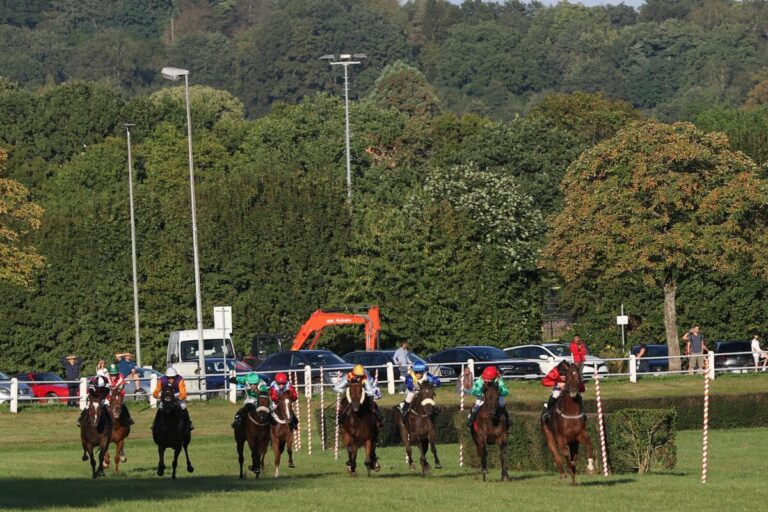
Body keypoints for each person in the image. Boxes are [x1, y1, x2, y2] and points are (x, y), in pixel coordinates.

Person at [152, 367, 193, 431]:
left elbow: (183, 393)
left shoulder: (180, 379)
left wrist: (178, 398)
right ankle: (155, 424)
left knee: (183, 406)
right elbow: (155, 392)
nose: (171, 379)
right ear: (166, 377)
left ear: (176, 376)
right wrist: (159, 397)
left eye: (173, 377)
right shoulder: (161, 380)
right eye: (169, 377)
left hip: (177, 395)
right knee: (160, 407)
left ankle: (188, 424)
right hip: (166, 396)